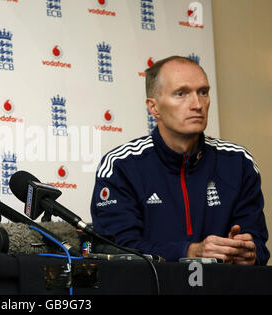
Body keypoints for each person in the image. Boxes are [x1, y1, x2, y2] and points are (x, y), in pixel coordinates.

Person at [90, 56, 269, 265]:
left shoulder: (238, 162)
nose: (197, 104)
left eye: (203, 92)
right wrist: (190, 252)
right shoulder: (121, 165)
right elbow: (117, 251)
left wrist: (246, 253)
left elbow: (259, 248)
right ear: (154, 108)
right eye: (181, 94)